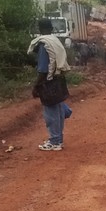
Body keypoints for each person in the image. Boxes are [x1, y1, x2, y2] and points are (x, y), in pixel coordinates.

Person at [28, 18, 71, 151]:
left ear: (39, 29)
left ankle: (54, 141)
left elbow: (43, 69)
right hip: (59, 78)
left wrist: (36, 86)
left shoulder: (44, 44)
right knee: (58, 110)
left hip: (48, 82)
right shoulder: (55, 41)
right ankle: (58, 139)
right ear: (51, 28)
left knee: (50, 113)